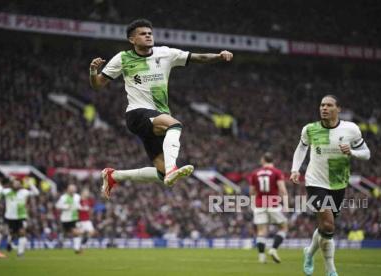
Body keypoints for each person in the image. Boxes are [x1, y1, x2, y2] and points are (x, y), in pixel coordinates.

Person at [89, 18, 233, 199]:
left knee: (162, 173)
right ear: (132, 40)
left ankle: (115, 175)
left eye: (150, 33)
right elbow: (98, 84)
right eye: (143, 34)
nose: (148, 36)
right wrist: (93, 72)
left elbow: (198, 57)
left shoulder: (165, 53)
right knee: (175, 125)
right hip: (137, 113)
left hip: (156, 115)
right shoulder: (122, 58)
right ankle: (173, 167)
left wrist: (219, 56)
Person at [290, 95, 370, 276]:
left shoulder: (351, 129)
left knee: (326, 227)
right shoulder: (310, 129)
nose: (324, 108)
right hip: (315, 181)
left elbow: (367, 153)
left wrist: (353, 152)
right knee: (328, 226)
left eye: (329, 105)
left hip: (339, 183)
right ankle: (331, 269)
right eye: (322, 105)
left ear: (338, 109)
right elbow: (301, 148)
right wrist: (295, 169)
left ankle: (309, 253)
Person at [249, 152, 288, 264]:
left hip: (259, 204)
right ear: (272, 161)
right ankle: (273, 249)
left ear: (263, 160)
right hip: (273, 203)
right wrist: (285, 204)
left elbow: (252, 191)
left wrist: (253, 204)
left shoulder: (255, 173)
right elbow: (282, 189)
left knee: (261, 231)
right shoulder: (277, 172)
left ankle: (261, 256)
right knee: (283, 227)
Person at [3, 179, 39, 257]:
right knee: (12, 234)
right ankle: (9, 242)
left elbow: (36, 193)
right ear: (11, 184)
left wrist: (30, 184)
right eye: (15, 183)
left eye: (18, 183)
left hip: (21, 216)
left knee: (22, 233)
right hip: (10, 217)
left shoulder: (24, 192)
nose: (17, 185)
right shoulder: (6, 191)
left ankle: (20, 253)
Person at [56, 184, 82, 254]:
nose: (72, 190)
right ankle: (60, 242)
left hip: (74, 218)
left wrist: (81, 207)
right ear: (68, 190)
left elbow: (78, 205)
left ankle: (77, 249)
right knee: (66, 234)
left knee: (76, 233)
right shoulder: (63, 197)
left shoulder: (77, 196)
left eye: (73, 189)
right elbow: (57, 206)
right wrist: (66, 206)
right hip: (65, 219)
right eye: (71, 189)